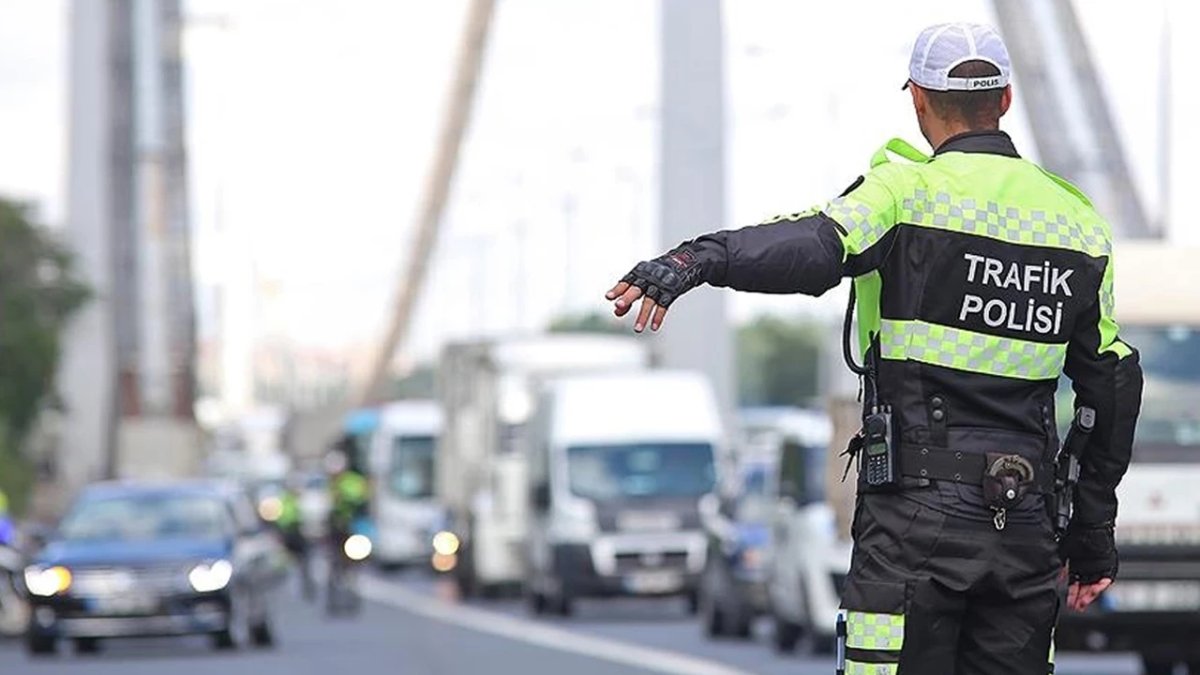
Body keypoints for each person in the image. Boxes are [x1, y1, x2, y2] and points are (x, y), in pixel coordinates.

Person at [605, 22, 1142, 675]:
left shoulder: (903, 192)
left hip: (913, 524)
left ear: (918, 98)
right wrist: (1091, 535)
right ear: (1004, 100)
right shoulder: (1076, 222)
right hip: (1024, 526)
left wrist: (697, 259)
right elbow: (1112, 384)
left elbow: (810, 247)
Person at [276, 476, 314, 601]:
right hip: (291, 534)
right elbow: (282, 519)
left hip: (301, 534)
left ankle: (306, 585)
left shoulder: (304, 500)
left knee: (305, 561)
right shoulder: (285, 500)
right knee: (290, 562)